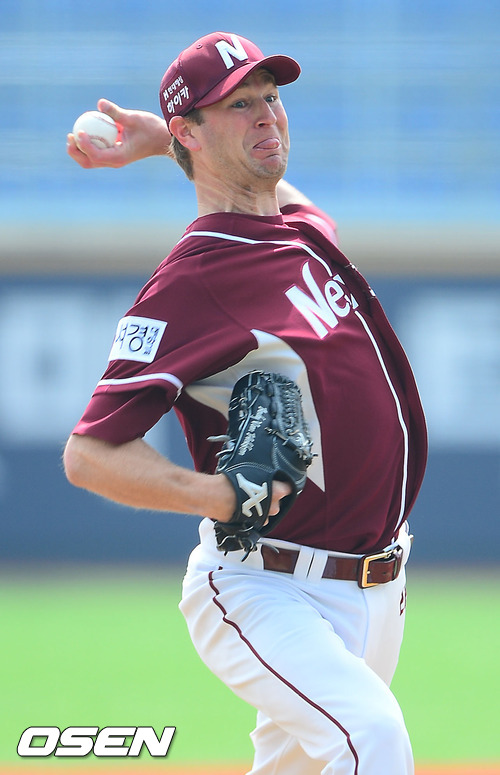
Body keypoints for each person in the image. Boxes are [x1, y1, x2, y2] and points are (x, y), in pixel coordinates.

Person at [64, 31, 427, 775]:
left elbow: (277, 193)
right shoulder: (194, 278)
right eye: (239, 105)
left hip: (375, 586)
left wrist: (161, 145)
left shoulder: (297, 232)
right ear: (193, 130)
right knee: (372, 738)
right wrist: (220, 495)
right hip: (265, 584)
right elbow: (89, 454)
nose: (268, 115)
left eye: (271, 96)